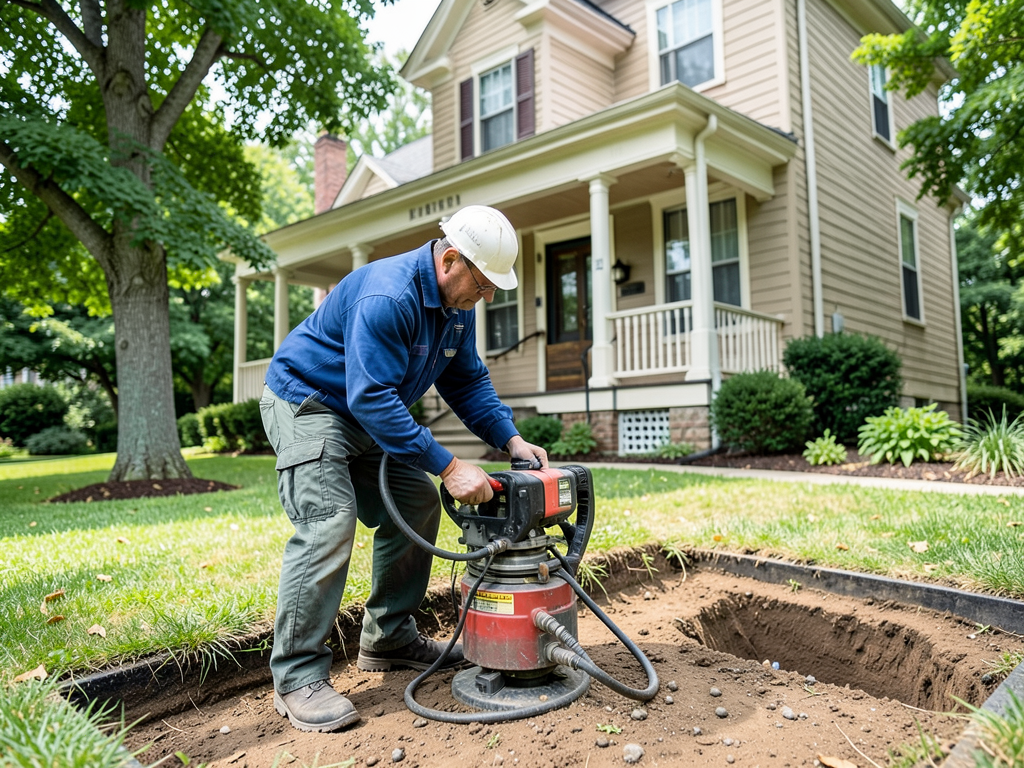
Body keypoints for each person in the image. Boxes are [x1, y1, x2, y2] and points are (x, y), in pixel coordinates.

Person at [259, 205, 549, 733]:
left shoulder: (457, 308)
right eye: (483, 284)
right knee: (330, 518)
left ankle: (388, 635)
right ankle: (298, 675)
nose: (486, 297)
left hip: (361, 411)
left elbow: (467, 383)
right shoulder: (388, 296)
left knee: (414, 501)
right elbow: (371, 398)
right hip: (308, 402)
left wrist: (510, 437)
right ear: (451, 260)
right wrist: (448, 465)